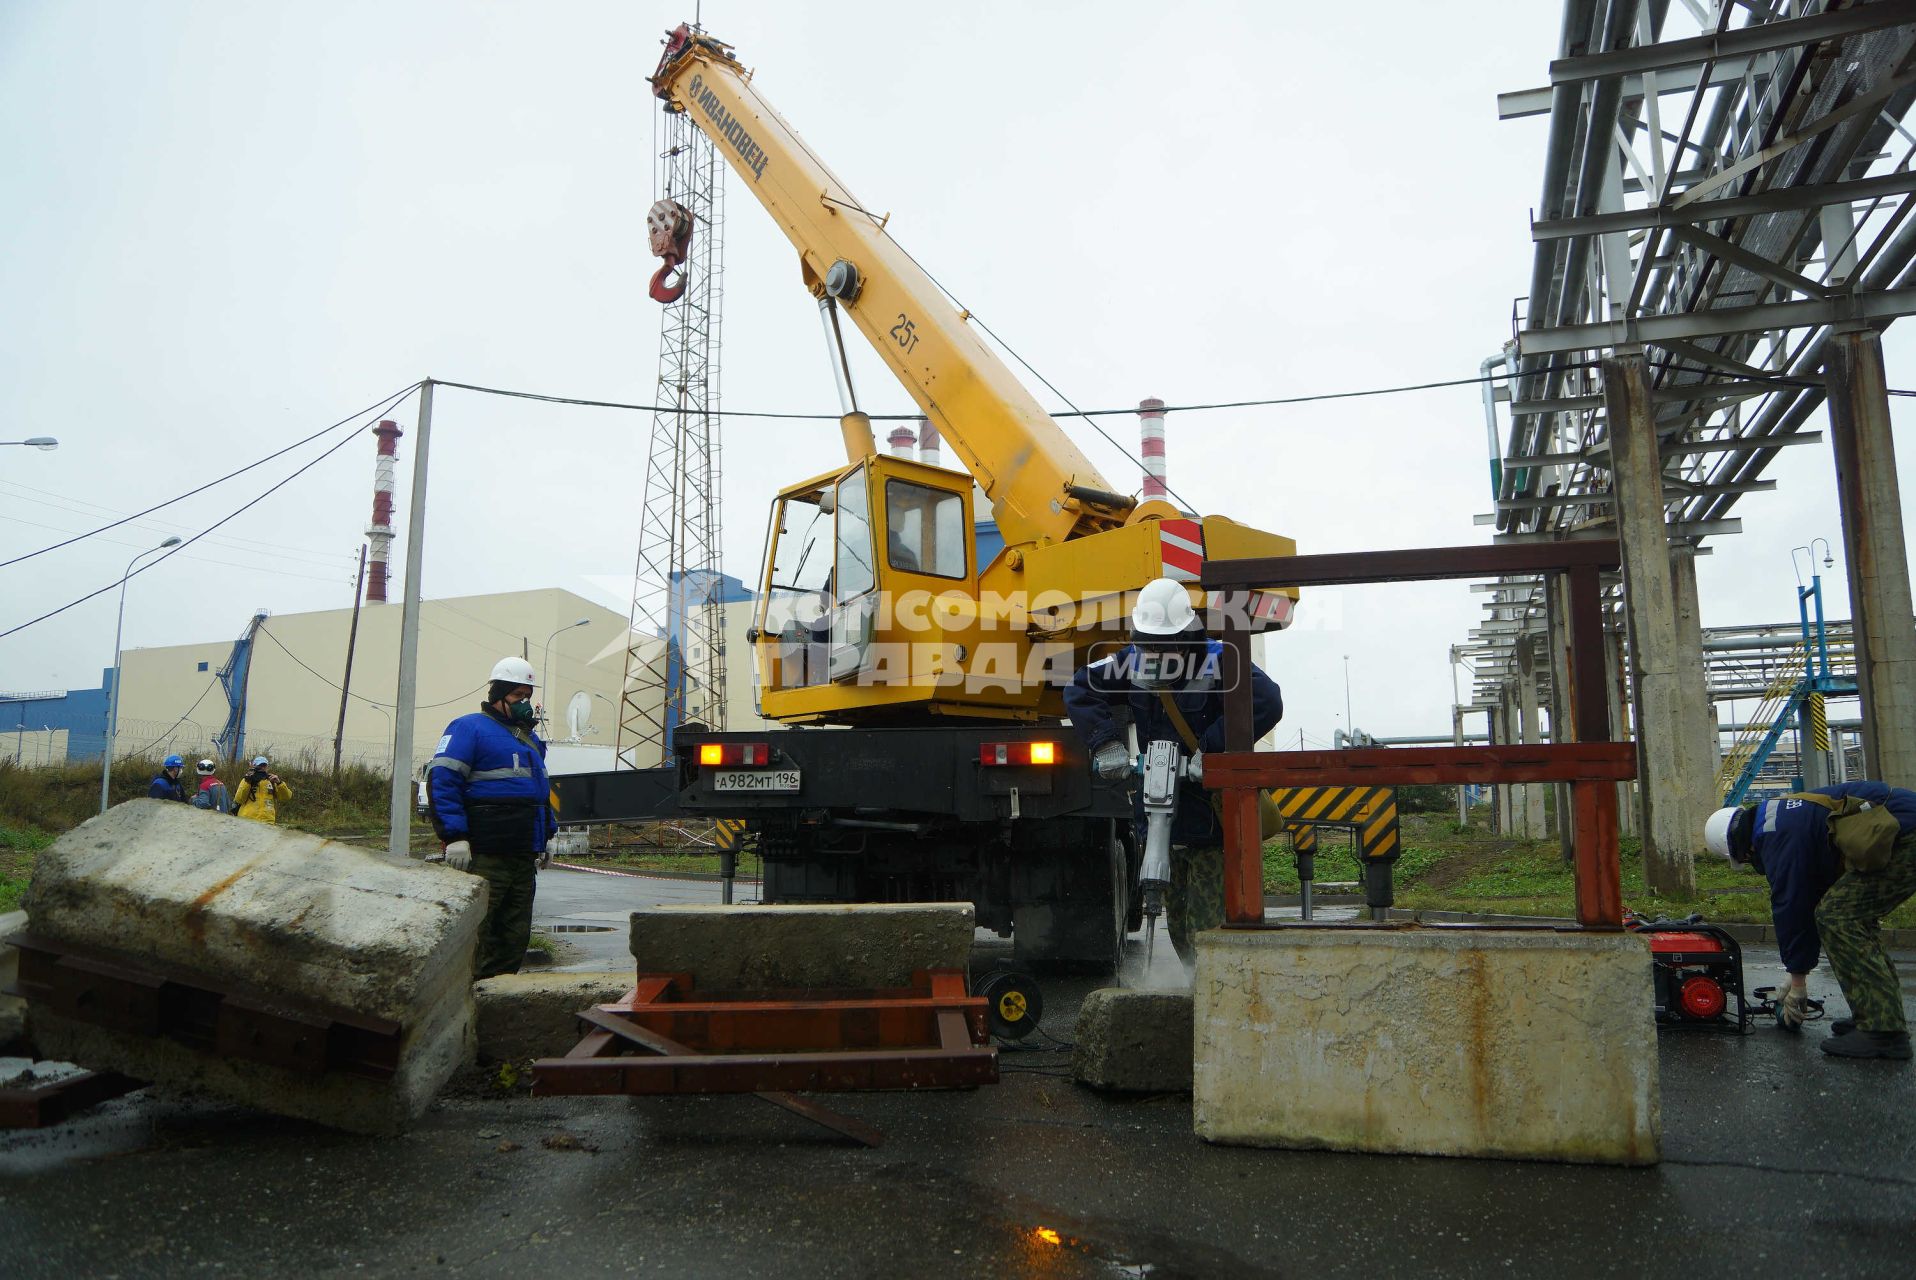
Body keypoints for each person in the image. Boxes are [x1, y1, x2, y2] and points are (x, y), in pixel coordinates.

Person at [1063, 576, 1283, 963]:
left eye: (1164, 642)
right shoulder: (1131, 662)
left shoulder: (1218, 660)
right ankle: (1193, 990)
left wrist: (1213, 749)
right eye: (1149, 641)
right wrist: (1106, 743)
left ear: (1186, 633)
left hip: (1210, 818)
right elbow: (1080, 688)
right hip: (1161, 814)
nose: (1156, 649)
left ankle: (1212, 993)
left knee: (1206, 924)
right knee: (1178, 920)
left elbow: (1266, 699)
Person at [1705, 782, 1916, 1061]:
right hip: (1900, 829)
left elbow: (1792, 906)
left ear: (1739, 845)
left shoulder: (1776, 836)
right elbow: (1809, 899)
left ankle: (1883, 1032)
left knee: (1838, 917)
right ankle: (1876, 1015)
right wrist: (1794, 975)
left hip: (1905, 835)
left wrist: (1798, 981)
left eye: (1742, 858)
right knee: (1848, 918)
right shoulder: (1777, 817)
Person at [426, 656, 557, 980]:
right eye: (517, 698)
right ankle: (464, 1002)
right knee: (478, 936)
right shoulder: (468, 728)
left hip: (521, 856)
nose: (525, 705)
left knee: (513, 938)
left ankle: (497, 1002)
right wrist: (455, 837)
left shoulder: (530, 741)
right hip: (485, 856)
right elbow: (443, 781)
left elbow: (538, 793)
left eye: (528, 698)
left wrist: (547, 836)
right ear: (497, 695)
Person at [235, 755, 293, 824]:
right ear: (254, 767)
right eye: (260, 766)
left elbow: (286, 797)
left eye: (264, 766)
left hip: (267, 821)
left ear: (267, 767)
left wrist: (279, 783)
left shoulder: (271, 781)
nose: (262, 768)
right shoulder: (247, 780)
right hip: (248, 820)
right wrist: (248, 781)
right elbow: (239, 799)